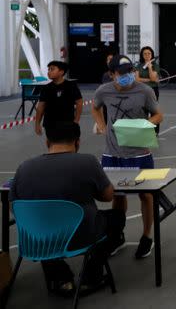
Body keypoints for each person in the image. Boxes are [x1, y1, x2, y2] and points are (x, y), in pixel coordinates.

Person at [10, 122, 125, 296]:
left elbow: (14, 205)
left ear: (47, 142)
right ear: (77, 142)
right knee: (116, 217)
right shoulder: (87, 162)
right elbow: (108, 196)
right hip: (80, 237)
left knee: (45, 227)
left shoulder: (24, 167)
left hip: (37, 239)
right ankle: (91, 275)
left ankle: (61, 279)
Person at [91, 55, 163, 260]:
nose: (127, 77)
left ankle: (147, 236)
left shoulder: (145, 91)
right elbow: (95, 107)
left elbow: (158, 115)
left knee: (146, 195)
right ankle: (116, 235)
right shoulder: (103, 91)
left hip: (139, 153)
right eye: (121, 74)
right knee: (117, 195)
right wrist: (102, 125)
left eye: (130, 72)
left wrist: (143, 126)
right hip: (112, 153)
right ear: (112, 74)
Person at [34, 61, 82, 137]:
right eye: (48, 69)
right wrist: (37, 124)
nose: (49, 72)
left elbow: (79, 103)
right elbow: (41, 106)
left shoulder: (71, 86)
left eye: (52, 69)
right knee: (52, 146)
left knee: (68, 146)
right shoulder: (46, 88)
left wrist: (76, 120)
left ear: (61, 72)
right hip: (50, 124)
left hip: (68, 123)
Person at [136, 46, 161, 134]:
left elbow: (153, 78)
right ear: (142, 55)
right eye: (145, 54)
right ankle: (144, 130)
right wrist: (148, 80)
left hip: (153, 90)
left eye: (149, 53)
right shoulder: (138, 66)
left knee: (154, 110)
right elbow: (137, 79)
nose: (147, 55)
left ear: (151, 55)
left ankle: (155, 131)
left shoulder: (155, 66)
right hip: (141, 90)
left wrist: (150, 67)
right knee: (143, 111)